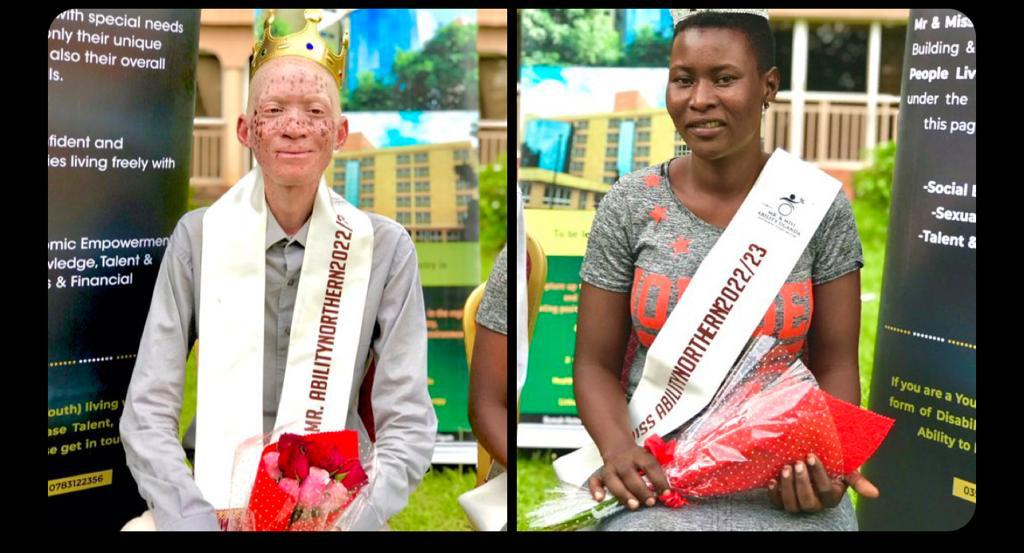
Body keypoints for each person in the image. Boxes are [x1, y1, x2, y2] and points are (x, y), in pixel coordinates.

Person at [119, 10, 436, 531]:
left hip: (336, 500)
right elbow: (147, 413)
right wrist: (193, 520)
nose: (293, 127)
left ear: (340, 133)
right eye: (274, 109)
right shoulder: (198, 239)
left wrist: (352, 517)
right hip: (210, 493)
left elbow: (408, 420)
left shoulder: (384, 249)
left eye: (315, 111)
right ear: (247, 129)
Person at [572, 9, 877, 531]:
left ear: (768, 86)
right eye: (683, 79)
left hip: (783, 480)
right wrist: (620, 450)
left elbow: (837, 365)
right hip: (658, 477)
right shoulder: (629, 204)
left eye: (725, 78)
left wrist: (831, 461)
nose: (699, 99)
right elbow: (594, 364)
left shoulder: (817, 205)